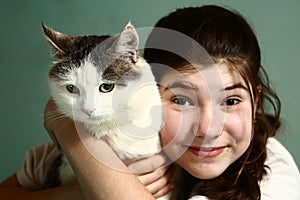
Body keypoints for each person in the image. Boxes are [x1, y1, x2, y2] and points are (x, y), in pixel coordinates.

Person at [1, 5, 299, 200]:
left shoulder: (274, 175)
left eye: (231, 100)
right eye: (182, 100)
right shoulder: (121, 134)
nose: (208, 128)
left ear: (256, 100)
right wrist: (77, 191)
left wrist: (72, 137)